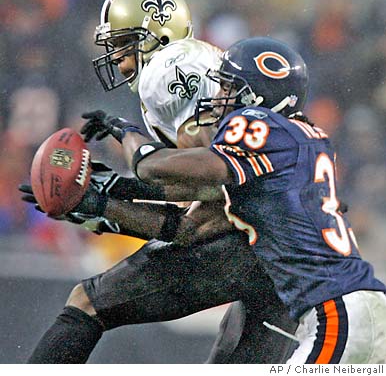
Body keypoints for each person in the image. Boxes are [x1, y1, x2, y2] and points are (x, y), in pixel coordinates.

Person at [22, 0, 297, 364]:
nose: (118, 58)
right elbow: (200, 201)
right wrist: (107, 202)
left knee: (86, 304)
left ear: (155, 32)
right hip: (291, 252)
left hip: (254, 242)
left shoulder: (172, 68)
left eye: (122, 42)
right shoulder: (198, 63)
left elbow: (207, 197)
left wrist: (106, 201)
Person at [87, 36, 386, 364]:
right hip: (355, 310)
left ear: (257, 95)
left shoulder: (257, 125)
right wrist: (112, 197)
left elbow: (155, 168)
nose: (217, 96)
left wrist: (127, 133)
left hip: (335, 316)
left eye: (228, 86)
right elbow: (197, 208)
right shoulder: (302, 136)